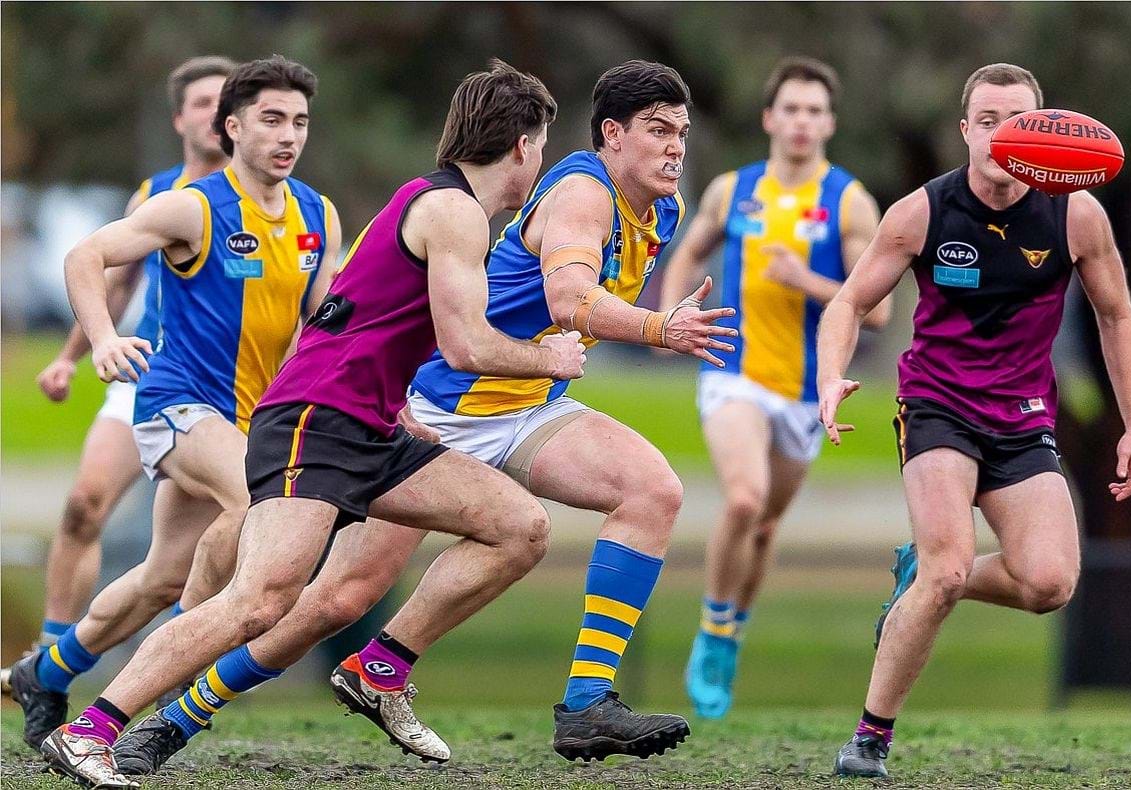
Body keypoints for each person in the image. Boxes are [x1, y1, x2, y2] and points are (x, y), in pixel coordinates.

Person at [109, 60, 734, 776]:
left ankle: (577, 699)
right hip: (444, 405)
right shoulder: (581, 196)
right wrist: (660, 329)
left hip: (527, 404)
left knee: (651, 490)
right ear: (612, 135)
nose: (675, 147)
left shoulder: (664, 209)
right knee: (334, 599)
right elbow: (569, 300)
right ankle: (175, 718)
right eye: (658, 130)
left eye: (682, 132)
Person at [41, 59, 584, 789]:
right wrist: (549, 357)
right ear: (523, 145)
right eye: (542, 144)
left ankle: (380, 671)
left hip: (368, 428)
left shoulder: (408, 210)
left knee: (518, 526)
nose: (540, 160)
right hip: (313, 425)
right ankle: (90, 730)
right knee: (257, 602)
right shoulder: (451, 210)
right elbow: (467, 347)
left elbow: (355, 318)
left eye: (299, 120)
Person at [816, 63, 1131, 778]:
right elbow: (845, 305)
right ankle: (870, 737)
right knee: (946, 568)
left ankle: (924, 578)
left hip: (1023, 418)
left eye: (1018, 121)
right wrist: (830, 373)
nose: (1002, 135)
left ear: (1044, 132)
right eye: (988, 121)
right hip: (937, 405)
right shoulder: (923, 212)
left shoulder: (1076, 213)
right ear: (966, 130)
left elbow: (1117, 316)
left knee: (1049, 584)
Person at [19, 55, 340, 777]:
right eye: (271, 120)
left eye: (300, 121)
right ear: (231, 127)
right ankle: (165, 671)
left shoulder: (318, 214)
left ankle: (47, 669)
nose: (289, 135)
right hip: (177, 403)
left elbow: (325, 320)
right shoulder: (192, 206)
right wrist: (100, 341)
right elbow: (86, 255)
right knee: (259, 502)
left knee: (162, 575)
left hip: (249, 419)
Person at [659, 56, 891, 719]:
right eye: (790, 108)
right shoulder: (732, 190)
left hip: (801, 392)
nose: (801, 121)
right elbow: (690, 250)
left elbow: (877, 311)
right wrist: (668, 318)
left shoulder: (849, 199)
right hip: (733, 375)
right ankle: (711, 627)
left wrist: (807, 282)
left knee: (761, 529)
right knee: (742, 497)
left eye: (815, 110)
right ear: (769, 118)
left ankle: (731, 634)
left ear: (830, 123)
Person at [0, 56, 233, 688]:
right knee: (83, 507)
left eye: (227, 101)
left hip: (236, 396)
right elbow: (111, 278)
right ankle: (47, 660)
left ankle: (179, 666)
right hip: (149, 378)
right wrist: (71, 356)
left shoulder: (288, 208)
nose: (216, 115)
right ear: (179, 117)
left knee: (186, 559)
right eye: (204, 101)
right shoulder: (157, 197)